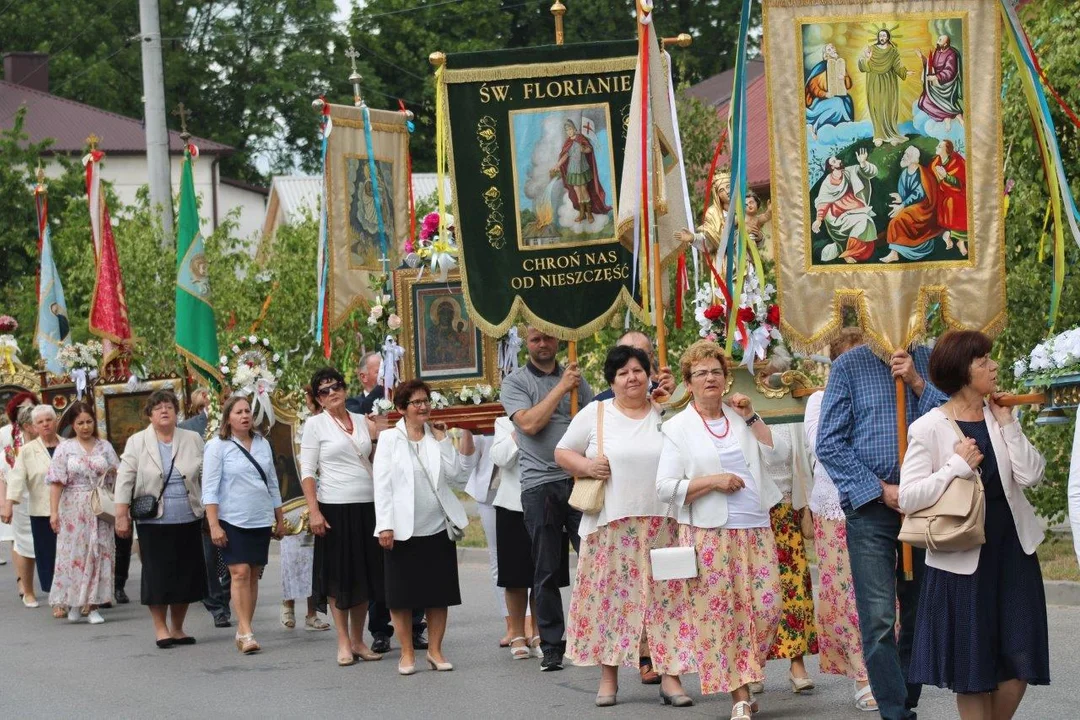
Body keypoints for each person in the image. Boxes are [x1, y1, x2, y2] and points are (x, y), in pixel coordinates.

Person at [901, 331, 1050, 719]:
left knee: (1020, 661)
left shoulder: (998, 414)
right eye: (983, 361)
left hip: (1013, 551)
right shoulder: (929, 426)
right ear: (962, 371)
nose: (993, 366)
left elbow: (1032, 476)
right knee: (973, 669)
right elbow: (909, 497)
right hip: (962, 560)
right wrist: (956, 466)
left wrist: (1010, 426)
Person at [816, 341, 947, 720]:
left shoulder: (930, 359)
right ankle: (894, 711)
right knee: (878, 616)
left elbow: (952, 422)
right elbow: (830, 442)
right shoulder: (849, 367)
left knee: (920, 608)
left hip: (925, 504)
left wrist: (917, 382)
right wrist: (880, 490)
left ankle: (905, 695)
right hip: (872, 508)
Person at [556, 345, 692, 707]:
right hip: (612, 525)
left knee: (670, 601)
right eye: (623, 373)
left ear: (648, 374)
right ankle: (608, 677)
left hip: (664, 522)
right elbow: (562, 451)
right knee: (611, 602)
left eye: (638, 370)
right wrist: (585, 467)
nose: (632, 377)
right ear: (612, 381)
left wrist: (673, 398)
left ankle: (671, 677)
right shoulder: (595, 413)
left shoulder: (666, 412)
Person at [656, 340, 783, 720]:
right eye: (700, 373)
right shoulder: (677, 427)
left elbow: (776, 457)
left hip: (755, 526)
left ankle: (746, 668)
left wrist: (752, 417)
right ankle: (739, 695)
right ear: (688, 383)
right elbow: (664, 487)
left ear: (726, 379)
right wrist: (713, 481)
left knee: (768, 608)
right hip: (709, 533)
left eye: (715, 371)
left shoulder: (741, 415)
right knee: (721, 616)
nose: (709, 378)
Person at [500, 326, 594, 671]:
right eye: (536, 339)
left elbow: (593, 418)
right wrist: (561, 388)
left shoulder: (574, 378)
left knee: (594, 558)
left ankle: (600, 635)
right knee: (546, 569)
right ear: (527, 343)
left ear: (557, 341)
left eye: (548, 338)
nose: (543, 344)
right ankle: (553, 644)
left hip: (577, 479)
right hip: (540, 485)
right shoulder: (515, 382)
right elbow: (529, 424)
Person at [373, 379, 477, 676]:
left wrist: (444, 441)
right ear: (402, 408)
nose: (423, 407)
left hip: (437, 528)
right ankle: (406, 653)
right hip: (402, 530)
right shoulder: (391, 439)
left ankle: (435, 650)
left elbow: (457, 478)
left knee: (438, 593)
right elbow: (382, 485)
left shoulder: (436, 437)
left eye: (426, 401)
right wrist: (385, 525)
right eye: (416, 402)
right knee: (401, 596)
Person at [803, 328, 877, 712]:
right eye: (853, 359)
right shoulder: (819, 399)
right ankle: (862, 675)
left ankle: (885, 665)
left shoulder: (883, 394)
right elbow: (823, 446)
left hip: (880, 500)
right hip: (837, 506)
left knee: (883, 591)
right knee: (847, 592)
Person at [300, 367, 384, 667]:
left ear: (345, 389)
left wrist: (377, 437)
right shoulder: (315, 426)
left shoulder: (364, 421)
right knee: (338, 577)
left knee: (362, 576)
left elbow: (376, 461)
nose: (332, 392)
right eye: (324, 390)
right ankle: (343, 642)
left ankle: (360, 640)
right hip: (334, 506)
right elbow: (308, 471)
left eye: (336, 386)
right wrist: (314, 511)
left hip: (367, 505)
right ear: (319, 399)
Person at [115, 389, 207, 649]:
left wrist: (212, 512)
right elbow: (125, 479)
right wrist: (121, 515)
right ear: (149, 415)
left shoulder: (192, 438)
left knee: (185, 574)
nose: (164, 411)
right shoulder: (137, 441)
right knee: (158, 575)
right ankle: (161, 629)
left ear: (177, 412)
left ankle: (177, 628)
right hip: (153, 521)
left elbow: (205, 476)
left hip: (189, 516)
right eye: (158, 408)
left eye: (169, 406)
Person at [203, 395, 286, 654]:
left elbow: (272, 482)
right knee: (238, 572)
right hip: (232, 519)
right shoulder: (218, 446)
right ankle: (247, 631)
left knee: (252, 574)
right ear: (228, 417)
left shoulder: (262, 444)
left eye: (247, 411)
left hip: (259, 518)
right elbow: (210, 489)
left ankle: (243, 629)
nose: (244, 415)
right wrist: (214, 525)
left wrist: (279, 518)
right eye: (238, 412)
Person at [760, 417, 818, 694]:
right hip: (750, 513)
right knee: (754, 590)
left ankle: (797, 664)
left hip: (787, 508)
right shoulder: (733, 408)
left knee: (794, 588)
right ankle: (752, 666)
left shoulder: (788, 407)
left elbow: (807, 455)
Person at [45, 401, 116, 624]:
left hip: (100, 504)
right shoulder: (65, 448)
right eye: (80, 423)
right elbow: (56, 482)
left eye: (88, 422)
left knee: (98, 552)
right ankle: (73, 602)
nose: (85, 427)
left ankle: (93, 605)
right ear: (72, 425)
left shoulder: (104, 446)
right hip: (73, 507)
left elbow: (119, 474)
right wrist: (54, 512)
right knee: (74, 554)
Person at [490, 415, 542, 660]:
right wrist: (521, 428)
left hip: (545, 500)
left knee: (544, 573)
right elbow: (500, 458)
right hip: (512, 504)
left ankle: (540, 632)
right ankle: (518, 633)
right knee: (515, 577)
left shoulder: (553, 415)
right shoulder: (504, 422)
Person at [180, 389, 230, 628]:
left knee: (238, 560)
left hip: (237, 503)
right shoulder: (189, 427)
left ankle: (229, 595)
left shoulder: (244, 419)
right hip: (203, 503)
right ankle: (217, 606)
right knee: (208, 557)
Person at [6, 404, 62, 616]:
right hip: (41, 511)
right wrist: (9, 503)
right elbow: (17, 478)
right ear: (34, 427)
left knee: (71, 554)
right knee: (47, 555)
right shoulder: (28, 451)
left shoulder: (68, 445)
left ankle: (79, 597)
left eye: (49, 420)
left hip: (70, 509)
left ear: (56, 421)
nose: (45, 424)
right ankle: (56, 599)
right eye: (40, 422)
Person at [1, 394, 41, 608]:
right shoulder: (10, 447)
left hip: (46, 501)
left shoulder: (51, 443)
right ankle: (26, 588)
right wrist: (5, 502)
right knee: (24, 544)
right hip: (20, 501)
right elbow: (2, 474)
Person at [812, 151, 880, 264]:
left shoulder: (849, 172)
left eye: (837, 159)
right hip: (839, 218)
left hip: (857, 211)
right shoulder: (827, 182)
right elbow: (822, 201)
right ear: (832, 167)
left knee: (867, 232)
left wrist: (863, 163)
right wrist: (819, 219)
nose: (839, 160)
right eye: (835, 161)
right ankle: (848, 254)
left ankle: (853, 253)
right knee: (864, 220)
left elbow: (871, 172)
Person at [882, 146, 940, 264]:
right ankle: (897, 251)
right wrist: (901, 198)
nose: (903, 157)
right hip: (911, 206)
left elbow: (918, 194)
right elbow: (907, 193)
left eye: (907, 155)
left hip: (924, 208)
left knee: (897, 220)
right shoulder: (904, 173)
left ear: (913, 159)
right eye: (904, 154)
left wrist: (903, 205)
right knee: (898, 218)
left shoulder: (921, 173)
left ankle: (894, 254)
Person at [549, 119, 611, 224]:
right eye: (567, 130)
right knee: (577, 191)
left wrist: (584, 149)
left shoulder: (581, 138)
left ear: (574, 129)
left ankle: (589, 213)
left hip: (583, 169)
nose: (569, 132)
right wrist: (557, 165)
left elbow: (589, 149)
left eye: (570, 129)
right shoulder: (568, 142)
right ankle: (582, 214)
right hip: (572, 170)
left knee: (584, 190)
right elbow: (565, 155)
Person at [593, 330, 675, 404]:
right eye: (625, 355)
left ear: (652, 357)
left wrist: (675, 397)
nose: (633, 359)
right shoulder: (599, 404)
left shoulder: (665, 393)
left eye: (641, 354)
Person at [859, 29, 910, 146]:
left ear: (888, 37)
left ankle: (892, 134)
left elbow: (897, 66)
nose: (882, 37)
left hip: (889, 83)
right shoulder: (871, 49)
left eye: (884, 35)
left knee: (889, 107)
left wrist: (905, 72)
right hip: (874, 82)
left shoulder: (893, 51)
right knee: (876, 107)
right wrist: (867, 58)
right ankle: (878, 135)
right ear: (878, 37)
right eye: (880, 35)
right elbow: (863, 66)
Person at [805, 43, 854, 138]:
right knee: (837, 103)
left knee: (847, 100)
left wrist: (845, 76)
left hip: (836, 96)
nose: (832, 50)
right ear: (826, 55)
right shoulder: (822, 67)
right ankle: (816, 127)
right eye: (829, 49)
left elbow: (848, 86)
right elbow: (812, 86)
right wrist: (825, 94)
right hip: (819, 101)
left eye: (833, 48)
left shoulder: (840, 65)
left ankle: (844, 129)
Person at [916, 35, 963, 128]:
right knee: (923, 102)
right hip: (934, 83)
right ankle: (946, 117)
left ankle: (956, 116)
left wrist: (936, 77)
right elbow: (930, 65)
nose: (937, 42)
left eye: (940, 40)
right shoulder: (936, 52)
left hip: (946, 85)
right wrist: (922, 57)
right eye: (938, 39)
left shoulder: (951, 54)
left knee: (933, 102)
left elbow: (950, 72)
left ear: (945, 44)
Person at [930, 140, 968, 256]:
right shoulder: (935, 163)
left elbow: (961, 182)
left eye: (940, 146)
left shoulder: (957, 161)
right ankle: (951, 237)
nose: (936, 147)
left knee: (957, 203)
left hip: (958, 192)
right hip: (941, 194)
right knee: (949, 202)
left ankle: (959, 241)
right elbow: (931, 180)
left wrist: (946, 176)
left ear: (947, 150)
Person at [345, 352, 384, 416]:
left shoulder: (394, 398)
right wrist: (381, 387)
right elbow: (363, 409)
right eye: (379, 372)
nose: (384, 375)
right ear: (364, 377)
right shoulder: (353, 403)